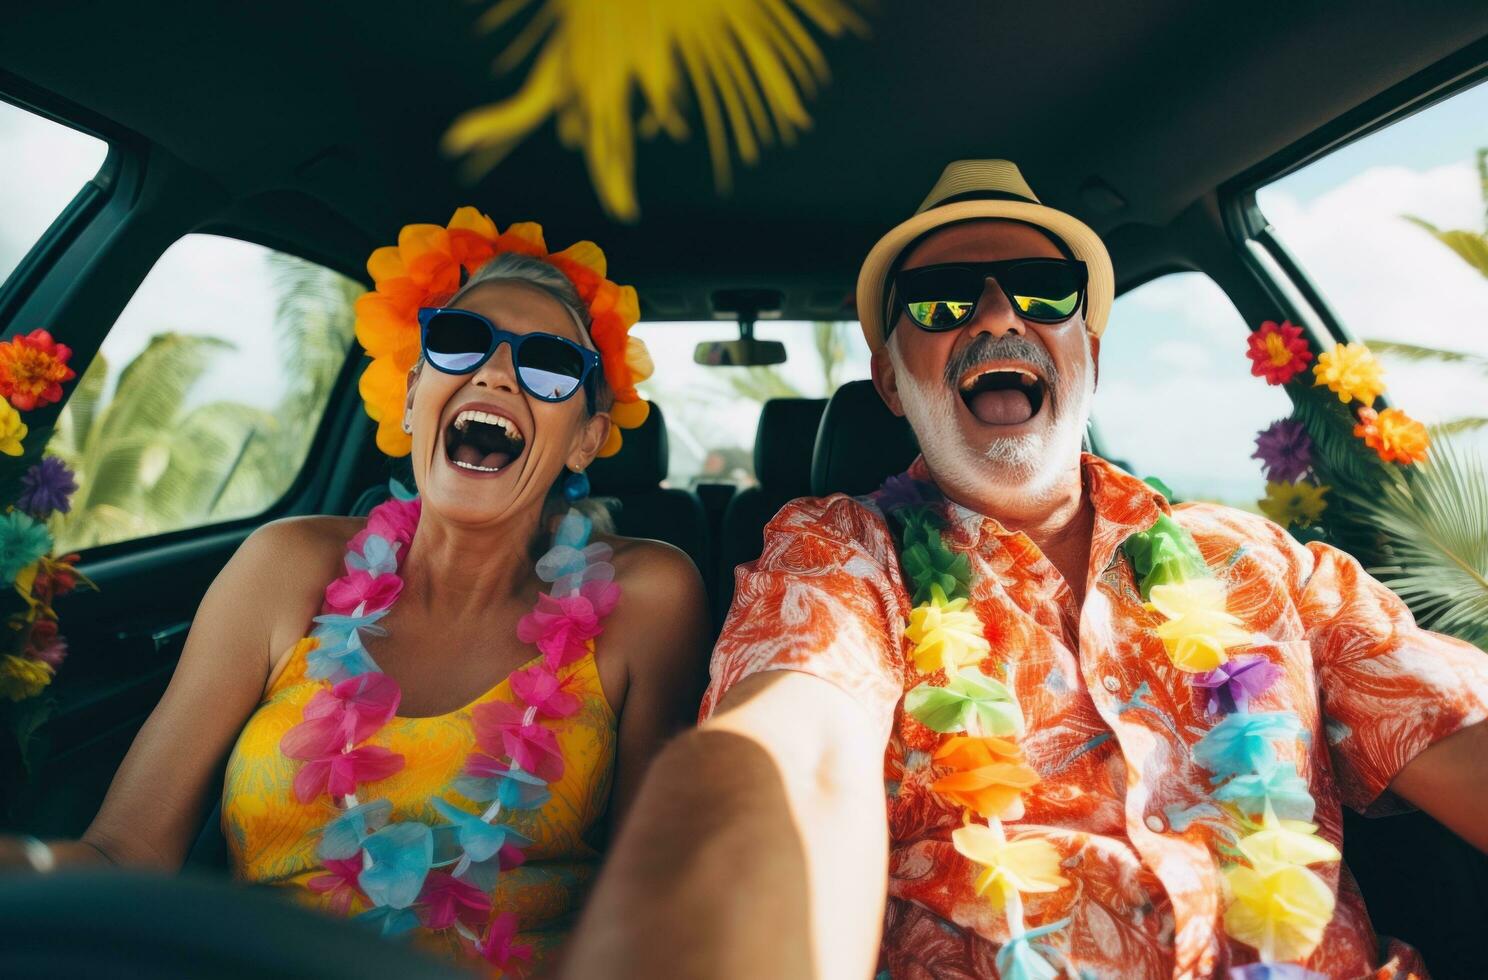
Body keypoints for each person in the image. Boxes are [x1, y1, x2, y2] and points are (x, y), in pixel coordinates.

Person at [562, 161, 1488, 979]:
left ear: (1091, 351)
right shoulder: (840, 555)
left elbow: (1448, 714)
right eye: (942, 300)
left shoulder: (1259, 560)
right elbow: (794, 757)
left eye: (1046, 293)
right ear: (890, 380)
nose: (999, 315)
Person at [2, 212, 709, 976]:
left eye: (548, 364)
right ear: (411, 398)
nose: (496, 375)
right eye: (460, 341)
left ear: (584, 439)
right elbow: (122, 853)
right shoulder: (284, 566)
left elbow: (656, 911)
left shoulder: (647, 598)